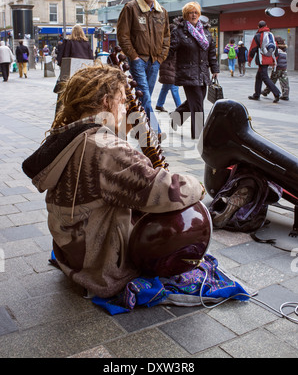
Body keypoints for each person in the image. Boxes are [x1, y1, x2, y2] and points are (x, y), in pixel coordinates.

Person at [22, 64, 205, 299]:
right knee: (180, 216)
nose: (126, 107)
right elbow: (163, 190)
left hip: (71, 252)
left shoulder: (69, 135)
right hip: (99, 264)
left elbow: (107, 174)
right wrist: (197, 185)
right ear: (107, 102)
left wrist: (122, 133)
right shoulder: (105, 147)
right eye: (122, 100)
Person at [117, 0, 170, 140]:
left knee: (140, 99)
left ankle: (130, 129)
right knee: (145, 97)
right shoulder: (131, 8)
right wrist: (134, 57)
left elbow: (167, 37)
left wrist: (161, 58)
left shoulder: (162, 12)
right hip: (139, 61)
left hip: (155, 62)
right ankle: (156, 131)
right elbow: (122, 35)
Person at [169, 3, 219, 140]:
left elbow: (211, 53)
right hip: (187, 73)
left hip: (203, 73)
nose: (194, 15)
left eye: (196, 12)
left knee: (197, 101)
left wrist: (215, 69)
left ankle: (176, 116)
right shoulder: (179, 32)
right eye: (191, 13)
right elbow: (170, 50)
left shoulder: (206, 32)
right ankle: (198, 135)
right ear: (185, 15)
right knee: (197, 104)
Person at [54, 25, 94, 113]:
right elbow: (91, 58)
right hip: (84, 72)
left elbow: (64, 57)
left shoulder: (69, 42)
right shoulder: (87, 43)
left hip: (71, 72)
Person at [248, 20, 280, 103]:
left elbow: (253, 49)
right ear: (266, 25)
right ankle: (256, 94)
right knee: (259, 77)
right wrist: (274, 60)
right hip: (269, 58)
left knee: (265, 77)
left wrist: (249, 60)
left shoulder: (258, 36)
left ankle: (277, 93)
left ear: (258, 27)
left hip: (262, 59)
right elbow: (275, 48)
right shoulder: (271, 35)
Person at [155, 24, 181, 112]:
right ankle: (180, 107)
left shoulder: (165, 40)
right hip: (170, 66)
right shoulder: (171, 42)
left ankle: (159, 104)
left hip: (168, 66)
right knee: (174, 88)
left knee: (165, 87)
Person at [261, 36, 290, 101]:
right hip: (284, 67)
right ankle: (285, 95)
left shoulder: (276, 49)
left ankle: (266, 92)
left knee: (272, 80)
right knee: (284, 81)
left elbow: (274, 57)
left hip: (277, 67)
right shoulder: (284, 49)